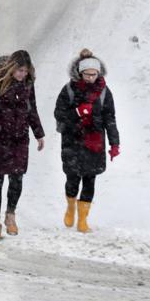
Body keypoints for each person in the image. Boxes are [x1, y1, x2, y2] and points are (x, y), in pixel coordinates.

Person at [0, 50, 45, 242]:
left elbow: (32, 108)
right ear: (12, 67)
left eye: (25, 71)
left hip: (19, 138)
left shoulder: (28, 83)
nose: (22, 74)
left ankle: (10, 214)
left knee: (17, 178)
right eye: (19, 70)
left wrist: (39, 133)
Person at [54, 49, 121, 233]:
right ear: (80, 73)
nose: (91, 78)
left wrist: (114, 143)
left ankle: (83, 219)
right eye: (87, 74)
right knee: (72, 178)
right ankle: (70, 207)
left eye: (94, 74)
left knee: (90, 180)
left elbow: (110, 119)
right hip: (72, 141)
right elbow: (58, 114)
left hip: (95, 142)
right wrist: (77, 112)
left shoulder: (105, 92)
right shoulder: (68, 90)